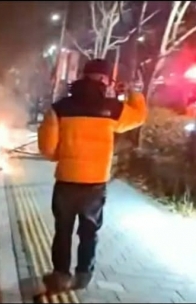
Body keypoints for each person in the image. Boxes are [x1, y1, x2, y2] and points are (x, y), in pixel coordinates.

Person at [37, 59, 147, 291]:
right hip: (95, 183)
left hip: (66, 180)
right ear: (106, 80)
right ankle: (83, 274)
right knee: (89, 231)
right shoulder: (113, 109)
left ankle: (60, 276)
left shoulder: (60, 108)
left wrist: (62, 156)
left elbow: (47, 148)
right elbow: (139, 117)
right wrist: (132, 93)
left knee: (63, 230)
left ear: (82, 75)